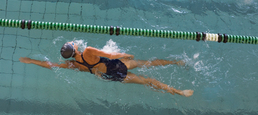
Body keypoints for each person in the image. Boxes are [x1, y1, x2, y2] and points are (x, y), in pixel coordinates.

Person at [19, 41, 194, 97]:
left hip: (108, 75)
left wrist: (31, 61)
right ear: (76, 49)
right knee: (145, 62)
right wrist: (125, 54)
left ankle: (179, 92)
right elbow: (109, 55)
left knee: (146, 81)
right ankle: (175, 63)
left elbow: (51, 65)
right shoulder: (87, 51)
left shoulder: (72, 65)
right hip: (115, 65)